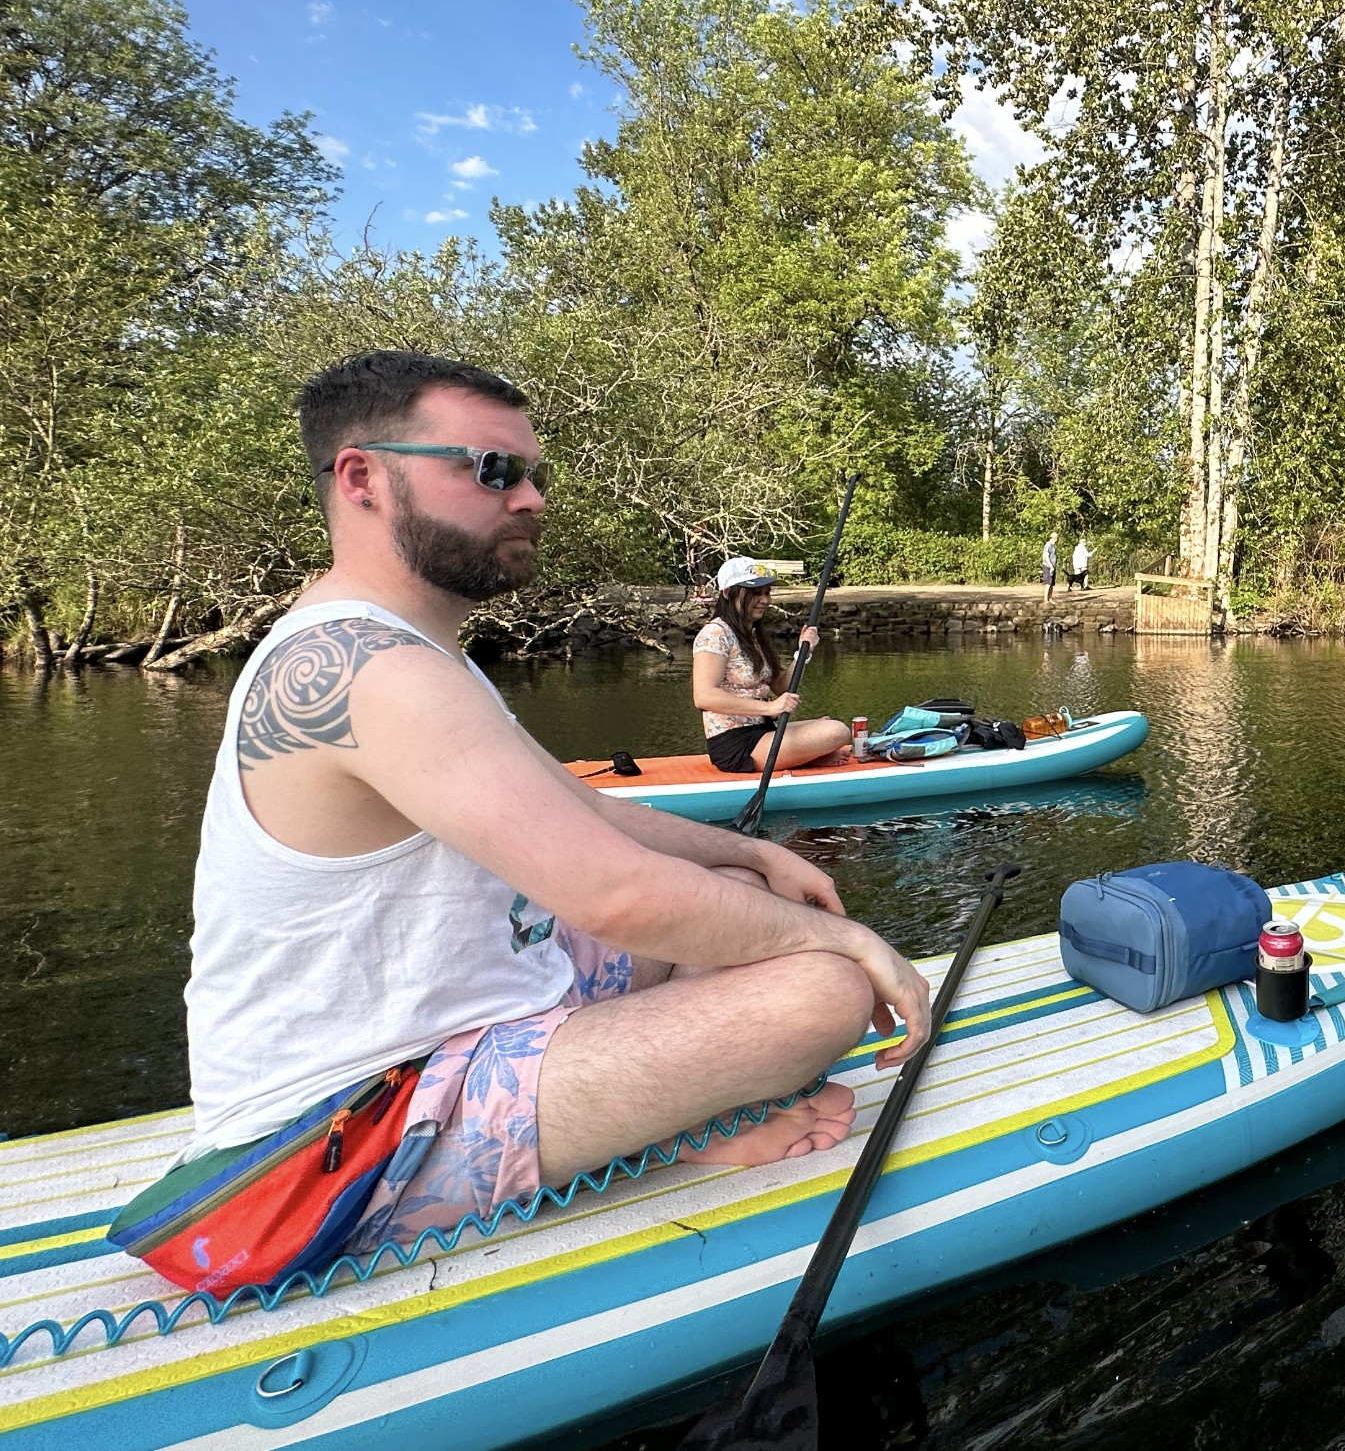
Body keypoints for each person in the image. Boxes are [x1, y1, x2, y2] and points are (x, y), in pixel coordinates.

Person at [148, 349, 927, 1288]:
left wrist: (753, 857)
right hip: (336, 1137)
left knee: (730, 893)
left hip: (455, 1029)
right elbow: (616, 894)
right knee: (822, 993)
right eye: (491, 470)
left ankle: (657, 1124)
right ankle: (669, 1140)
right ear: (361, 477)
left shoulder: (417, 654)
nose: (531, 499)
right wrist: (854, 949)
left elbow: (581, 807)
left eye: (532, 473)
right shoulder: (370, 671)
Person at [694, 558, 851, 773]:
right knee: (836, 731)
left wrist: (803, 652)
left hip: (762, 730)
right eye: (755, 593)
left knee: (824, 722)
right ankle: (805, 757)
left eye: (767, 592)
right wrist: (769, 707)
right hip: (736, 745)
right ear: (728, 593)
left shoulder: (753, 635)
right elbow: (704, 696)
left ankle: (803, 757)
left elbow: (781, 687)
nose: (764, 600)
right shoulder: (715, 633)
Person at [1040, 531, 1059, 603]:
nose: (1057, 540)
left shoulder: (1052, 546)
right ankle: (1046, 599)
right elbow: (1046, 556)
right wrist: (1051, 566)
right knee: (1048, 583)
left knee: (1051, 583)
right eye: (1056, 538)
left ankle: (1050, 598)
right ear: (1054, 538)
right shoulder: (1048, 545)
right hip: (1048, 566)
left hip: (1052, 567)